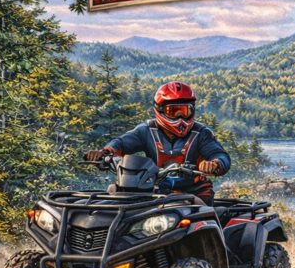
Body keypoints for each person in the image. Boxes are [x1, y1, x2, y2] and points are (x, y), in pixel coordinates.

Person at [86, 81, 230, 205]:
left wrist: (215, 163)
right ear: (160, 110)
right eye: (173, 111)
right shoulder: (146, 130)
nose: (180, 117)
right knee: (113, 192)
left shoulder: (202, 133)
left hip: (195, 192)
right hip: (156, 191)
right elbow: (122, 142)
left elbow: (220, 154)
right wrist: (105, 153)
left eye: (184, 111)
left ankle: (212, 237)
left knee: (199, 214)